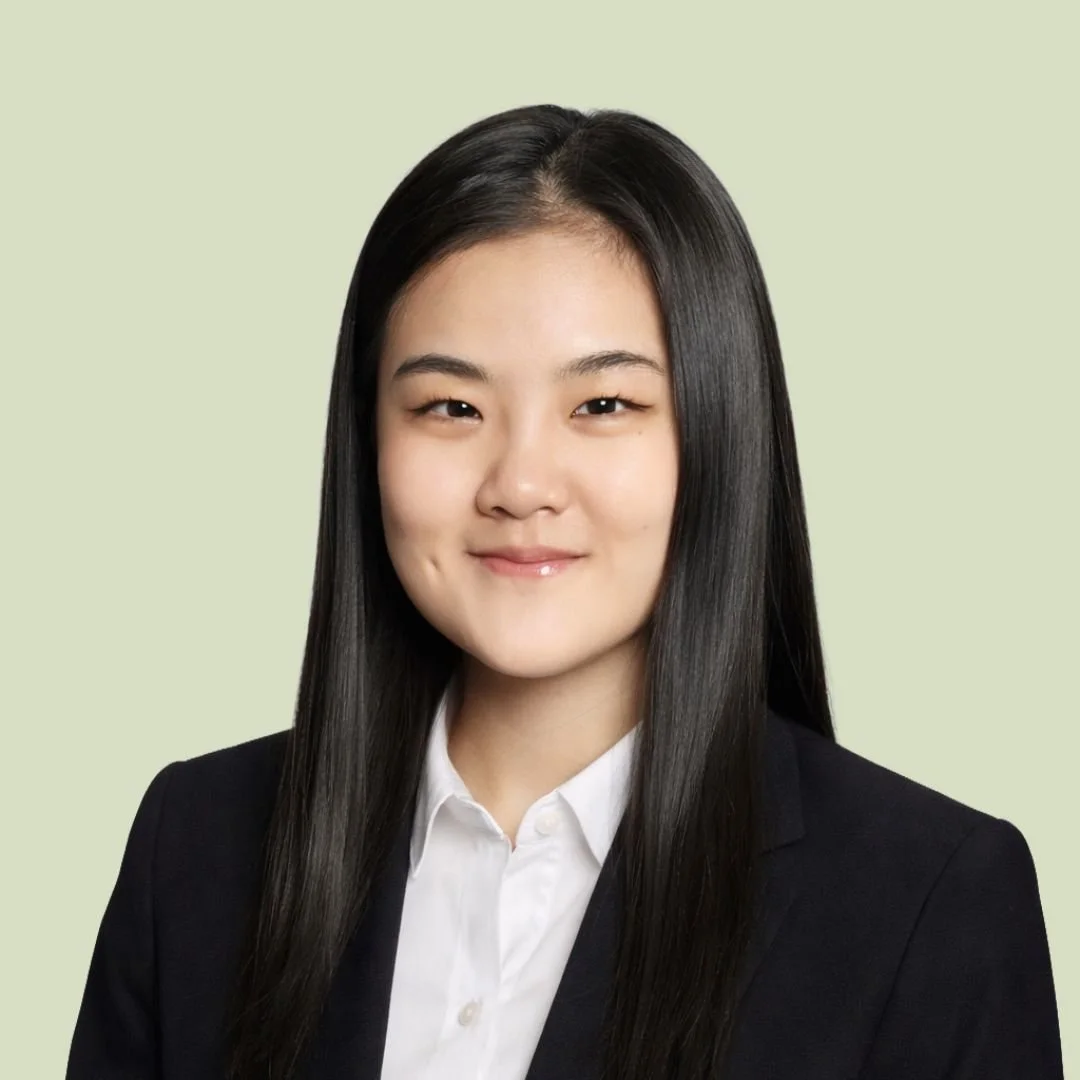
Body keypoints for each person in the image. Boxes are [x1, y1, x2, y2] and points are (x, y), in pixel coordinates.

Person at [66, 104, 1063, 1080]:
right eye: (451, 406)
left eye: (604, 405)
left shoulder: (929, 902)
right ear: (369, 438)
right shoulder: (195, 847)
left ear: (716, 432)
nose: (522, 486)